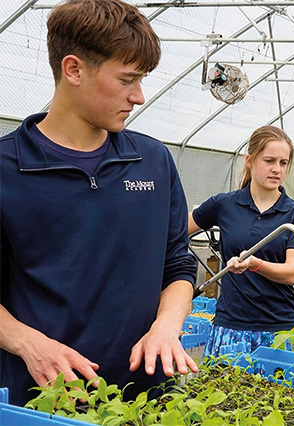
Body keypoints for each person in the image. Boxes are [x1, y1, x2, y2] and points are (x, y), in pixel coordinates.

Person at [0, 0, 198, 406]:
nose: (139, 96)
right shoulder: (7, 169)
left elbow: (177, 263)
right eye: (127, 79)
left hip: (146, 397)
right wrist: (28, 342)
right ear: (74, 69)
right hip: (44, 400)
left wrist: (167, 325)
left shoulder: (153, 161)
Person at [188, 126, 294, 356]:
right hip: (230, 326)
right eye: (269, 161)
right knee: (219, 391)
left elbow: (293, 272)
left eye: (283, 163)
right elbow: (176, 230)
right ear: (250, 161)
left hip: (278, 330)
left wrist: (255, 264)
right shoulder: (224, 205)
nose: (277, 169)